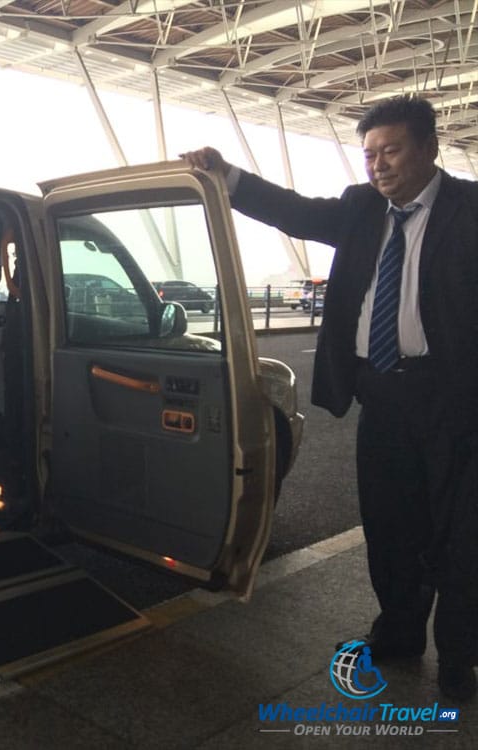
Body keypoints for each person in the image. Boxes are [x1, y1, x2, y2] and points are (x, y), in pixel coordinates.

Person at [181, 95, 478, 701]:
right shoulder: (361, 208)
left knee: (461, 535)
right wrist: (226, 175)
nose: (378, 165)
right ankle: (397, 632)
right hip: (382, 397)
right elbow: (293, 212)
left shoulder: (472, 210)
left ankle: (459, 656)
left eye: (391, 150)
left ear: (429, 148)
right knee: (390, 526)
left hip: (454, 401)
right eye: (369, 154)